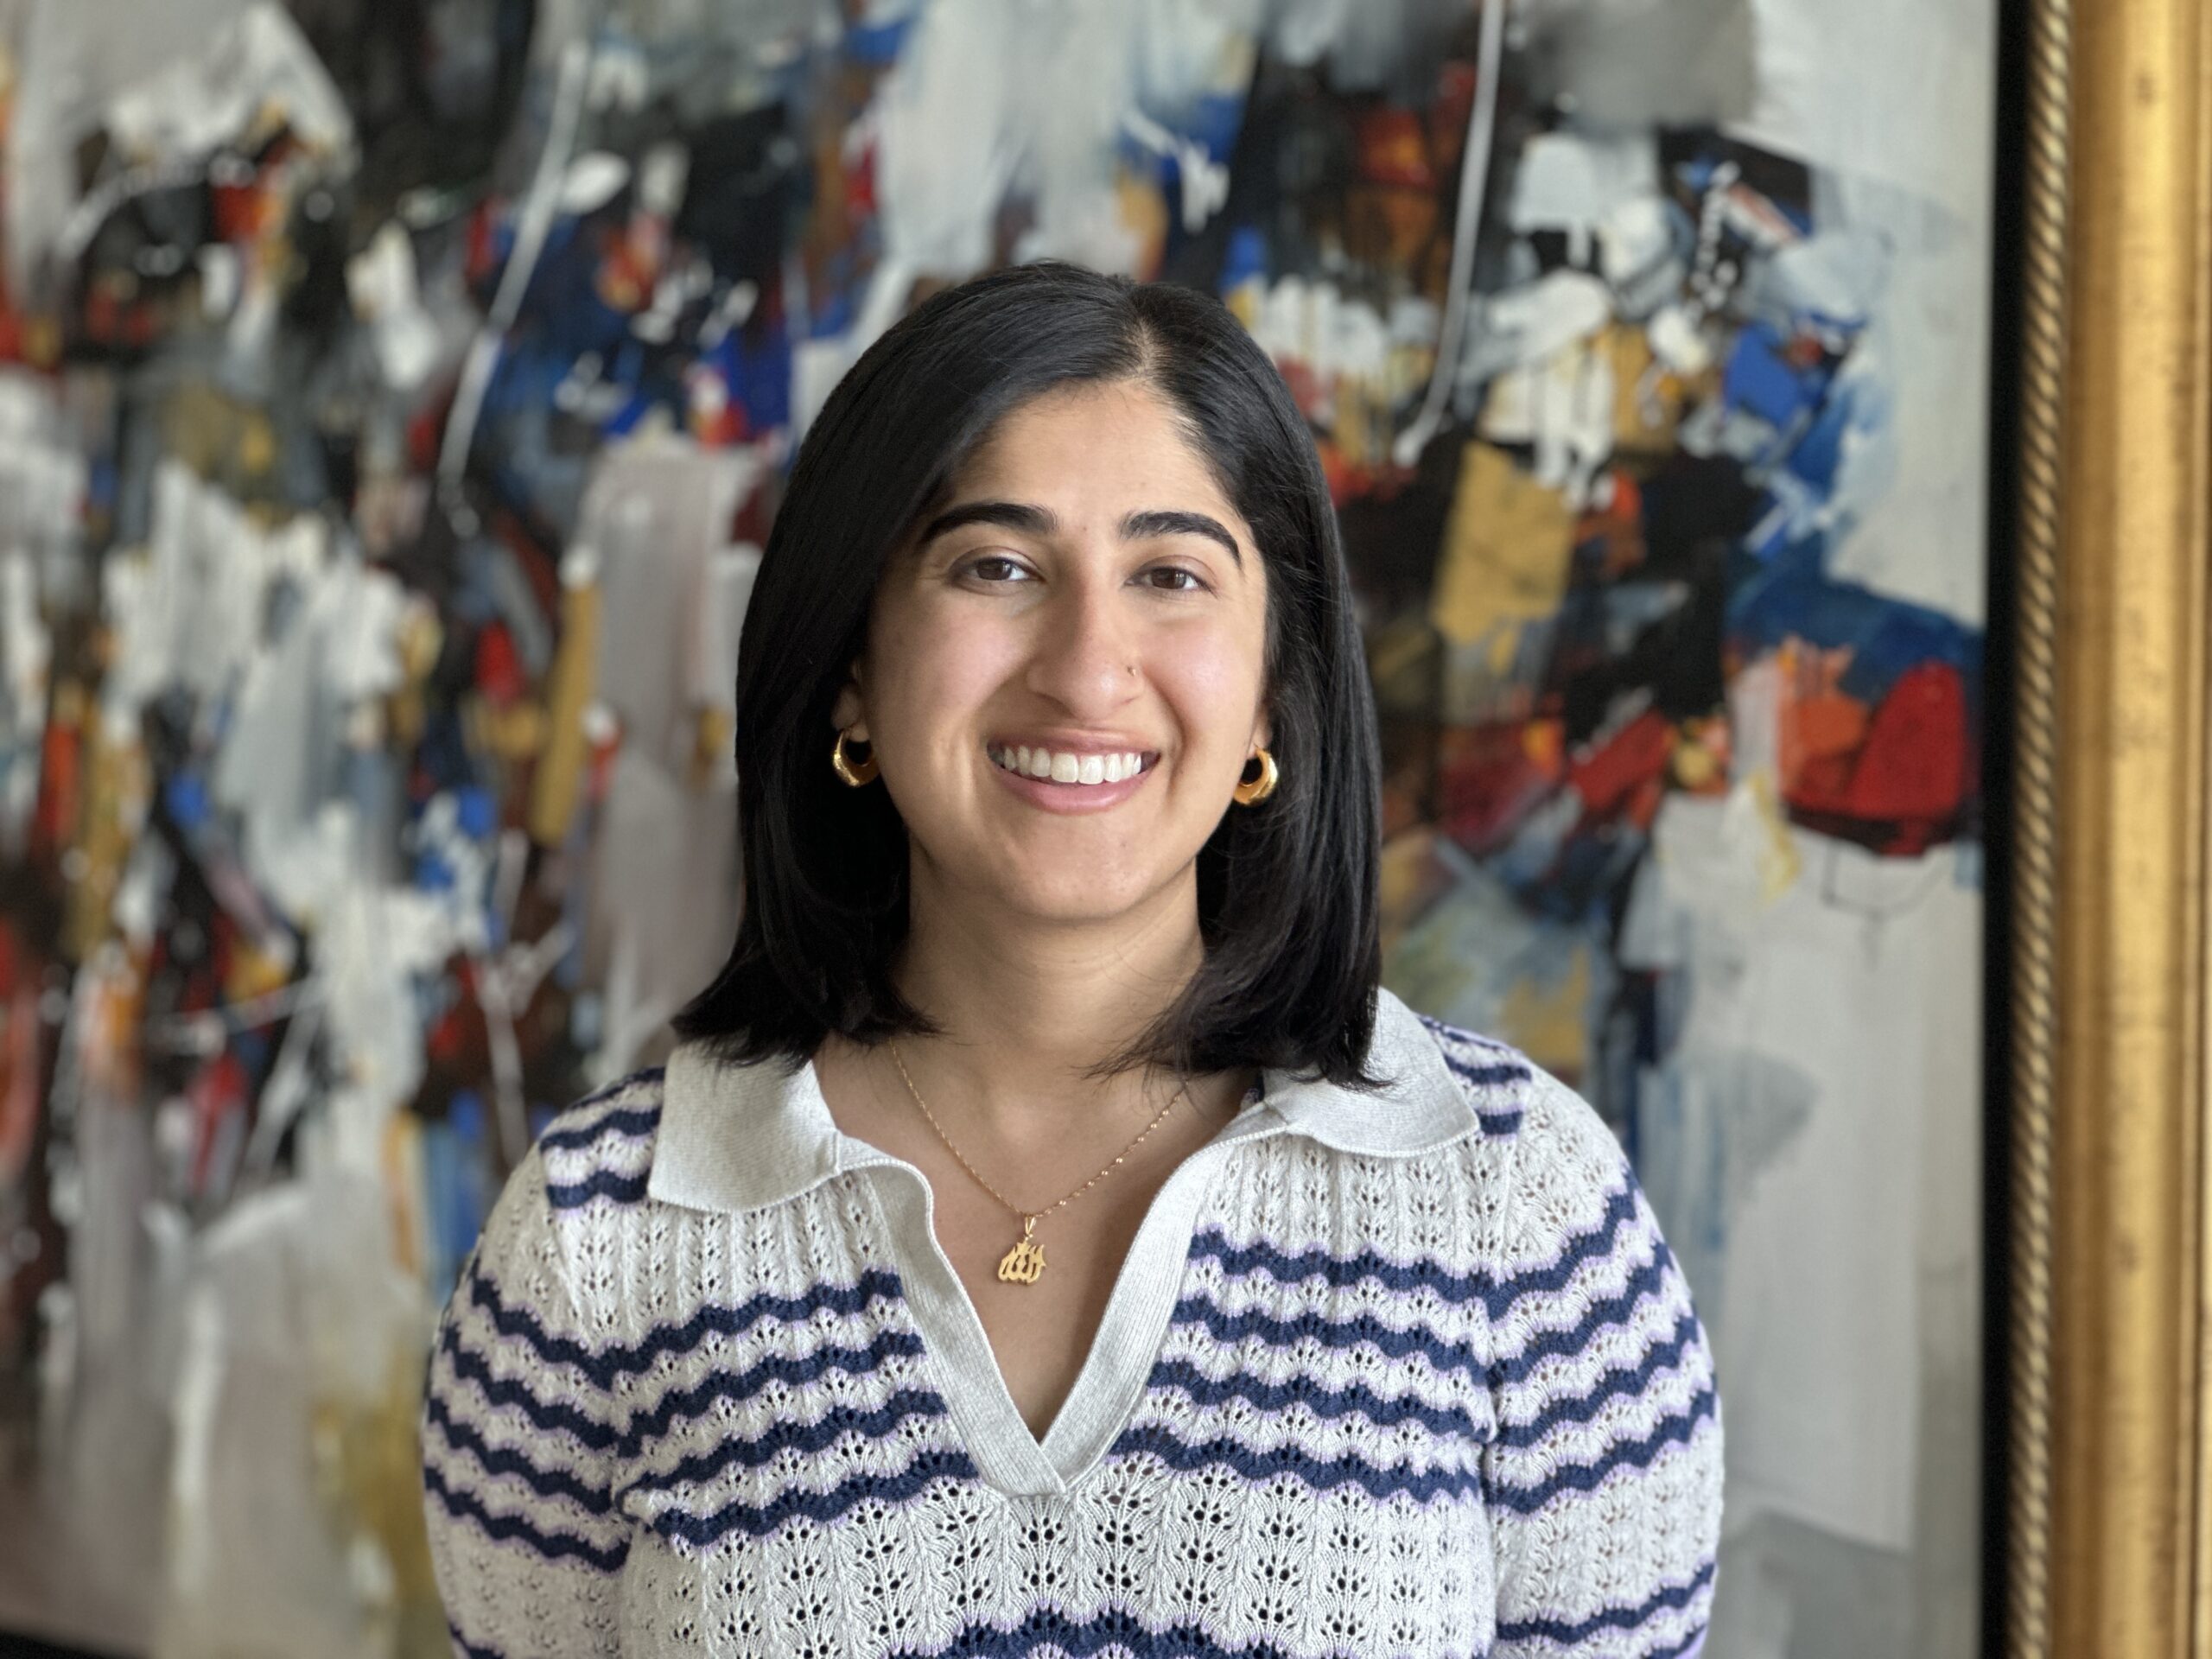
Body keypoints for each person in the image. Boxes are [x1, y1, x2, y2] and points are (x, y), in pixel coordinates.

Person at [420, 261, 1722, 1658]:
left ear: (1275, 687)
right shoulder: (599, 1241)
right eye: (998, 566)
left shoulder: (1528, 1216)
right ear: (853, 662)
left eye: (1171, 575)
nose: (1088, 665)